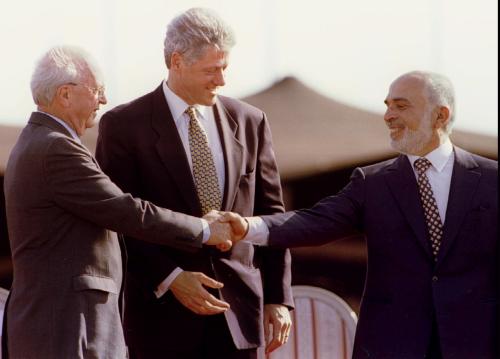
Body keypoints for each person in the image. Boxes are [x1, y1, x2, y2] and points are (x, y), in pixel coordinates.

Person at [223, 71, 499, 359]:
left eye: (401, 106)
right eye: (387, 105)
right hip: (392, 345)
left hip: (478, 343)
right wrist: (246, 226)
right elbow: (314, 221)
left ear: (441, 115)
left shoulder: (492, 180)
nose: (388, 115)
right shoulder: (372, 183)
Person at [2, 45, 234, 359]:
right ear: (65, 95)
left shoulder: (40, 142)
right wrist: (203, 229)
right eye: (97, 90)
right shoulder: (55, 149)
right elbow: (126, 210)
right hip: (67, 330)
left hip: (62, 326)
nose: (104, 100)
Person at [95, 7, 293, 359]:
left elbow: (271, 215)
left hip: (240, 320)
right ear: (177, 61)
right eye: (211, 70)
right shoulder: (123, 126)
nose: (221, 80)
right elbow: (118, 221)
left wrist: (278, 298)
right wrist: (171, 278)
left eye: (224, 68)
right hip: (162, 321)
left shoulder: (251, 121)